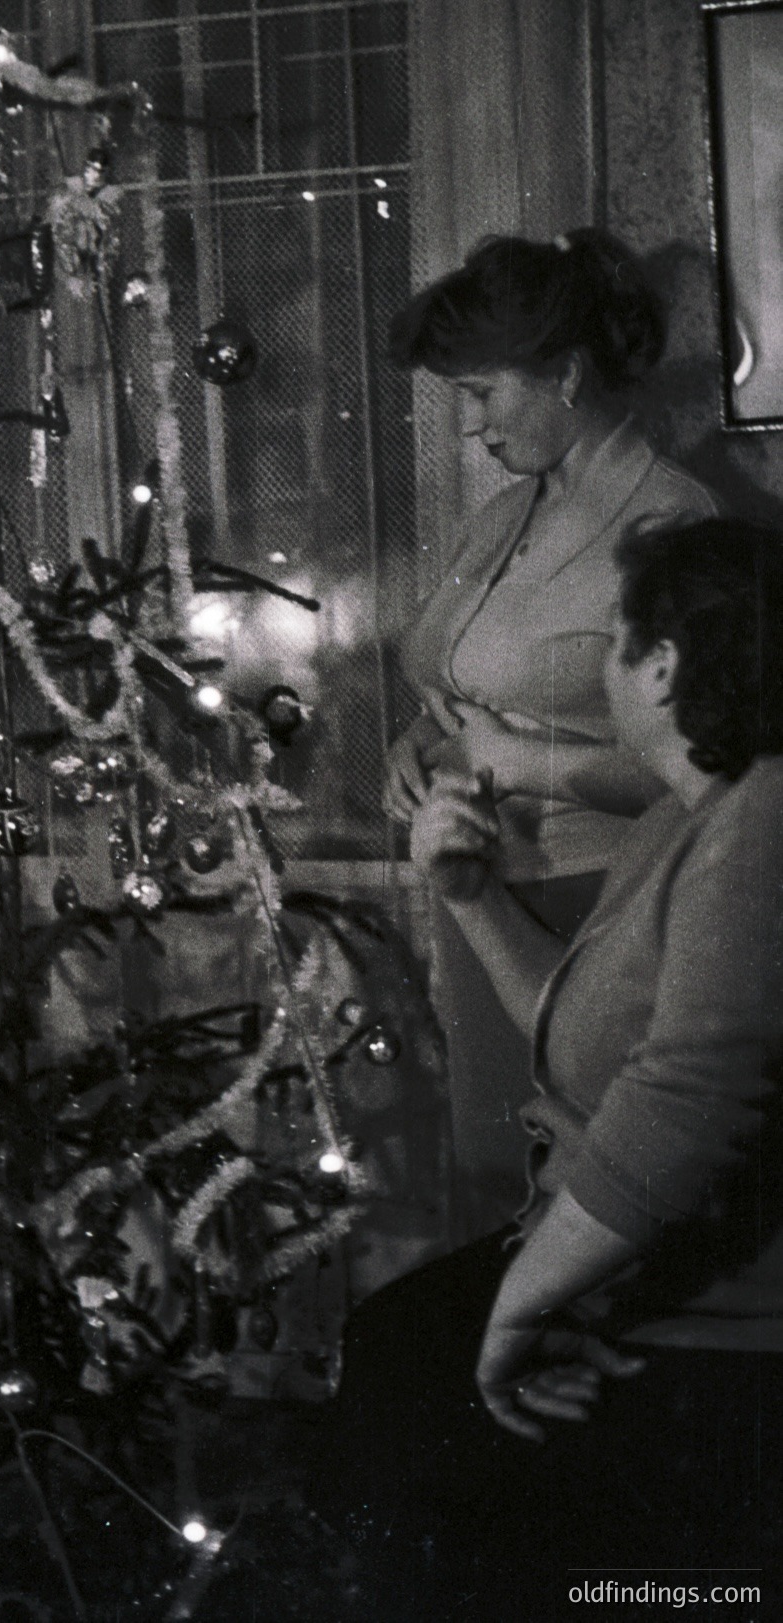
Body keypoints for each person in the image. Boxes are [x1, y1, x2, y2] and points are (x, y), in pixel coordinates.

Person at [316, 517, 783, 1619]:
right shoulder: (696, 815)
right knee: (388, 1350)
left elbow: (684, 1107)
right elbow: (579, 1032)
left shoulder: (763, 825)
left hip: (707, 1315)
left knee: (412, 1416)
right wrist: (473, 891)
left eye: (616, 638)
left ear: (661, 665)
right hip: (641, 1276)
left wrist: (521, 1308)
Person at [385, 230, 717, 1234]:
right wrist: (419, 744)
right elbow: (458, 679)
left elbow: (718, 777)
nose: (470, 426)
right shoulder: (505, 517)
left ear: (565, 374)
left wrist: (524, 763)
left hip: (599, 913)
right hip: (483, 897)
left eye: (483, 395)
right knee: (500, 1201)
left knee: (592, 1215)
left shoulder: (669, 524)